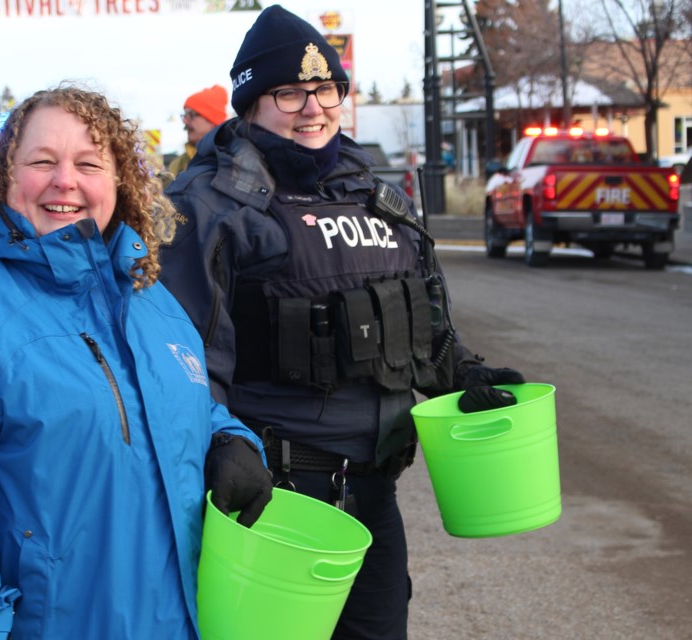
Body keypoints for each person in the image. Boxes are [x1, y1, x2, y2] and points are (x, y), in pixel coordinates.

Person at [0, 84, 273, 640]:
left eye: (88, 163)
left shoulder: (153, 301)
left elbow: (175, 405)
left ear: (119, 181)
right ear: (5, 176)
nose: (65, 181)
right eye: (42, 161)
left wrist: (228, 438)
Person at [158, 6, 525, 640]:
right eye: (289, 93)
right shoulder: (208, 207)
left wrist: (460, 372)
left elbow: (421, 318)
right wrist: (218, 445)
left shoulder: (376, 195)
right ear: (249, 104)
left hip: (374, 493)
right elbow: (181, 358)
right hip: (272, 499)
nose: (312, 107)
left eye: (325, 89)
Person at [167, 84, 228, 177]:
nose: (185, 121)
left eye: (191, 114)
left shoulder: (232, 160)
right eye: (184, 115)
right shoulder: (177, 165)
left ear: (212, 121)